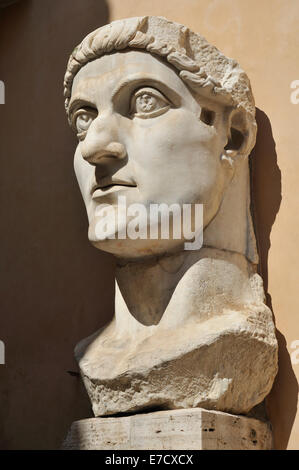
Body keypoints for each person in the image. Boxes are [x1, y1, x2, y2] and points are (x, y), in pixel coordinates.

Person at [63, 16, 277, 418]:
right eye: (83, 119)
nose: (94, 147)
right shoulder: (92, 356)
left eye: (146, 101)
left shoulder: (230, 342)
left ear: (232, 135)